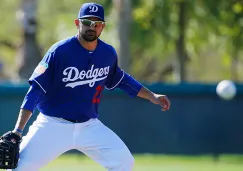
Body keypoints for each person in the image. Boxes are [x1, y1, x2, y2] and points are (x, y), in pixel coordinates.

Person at [3, 2, 170, 171]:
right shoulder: (59, 51)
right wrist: (18, 130)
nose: (92, 27)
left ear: (102, 27)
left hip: (89, 126)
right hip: (52, 124)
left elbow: (123, 80)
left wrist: (151, 96)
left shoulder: (107, 53)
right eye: (87, 22)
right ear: (78, 23)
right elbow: (35, 90)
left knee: (124, 161)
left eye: (97, 23)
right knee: (18, 168)